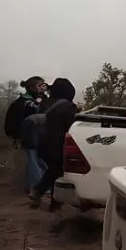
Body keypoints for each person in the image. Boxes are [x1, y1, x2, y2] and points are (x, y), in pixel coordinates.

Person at [30, 78, 77, 210]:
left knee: (54, 171)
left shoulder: (44, 103)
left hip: (41, 144)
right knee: (58, 171)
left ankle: (52, 203)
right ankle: (40, 192)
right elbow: (72, 127)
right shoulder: (68, 107)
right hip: (57, 146)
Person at [3, 76, 48, 193]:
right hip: (28, 137)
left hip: (35, 137)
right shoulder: (25, 102)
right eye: (40, 86)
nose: (43, 88)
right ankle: (37, 188)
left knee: (38, 162)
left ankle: (33, 187)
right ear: (32, 88)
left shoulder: (29, 101)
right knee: (34, 162)